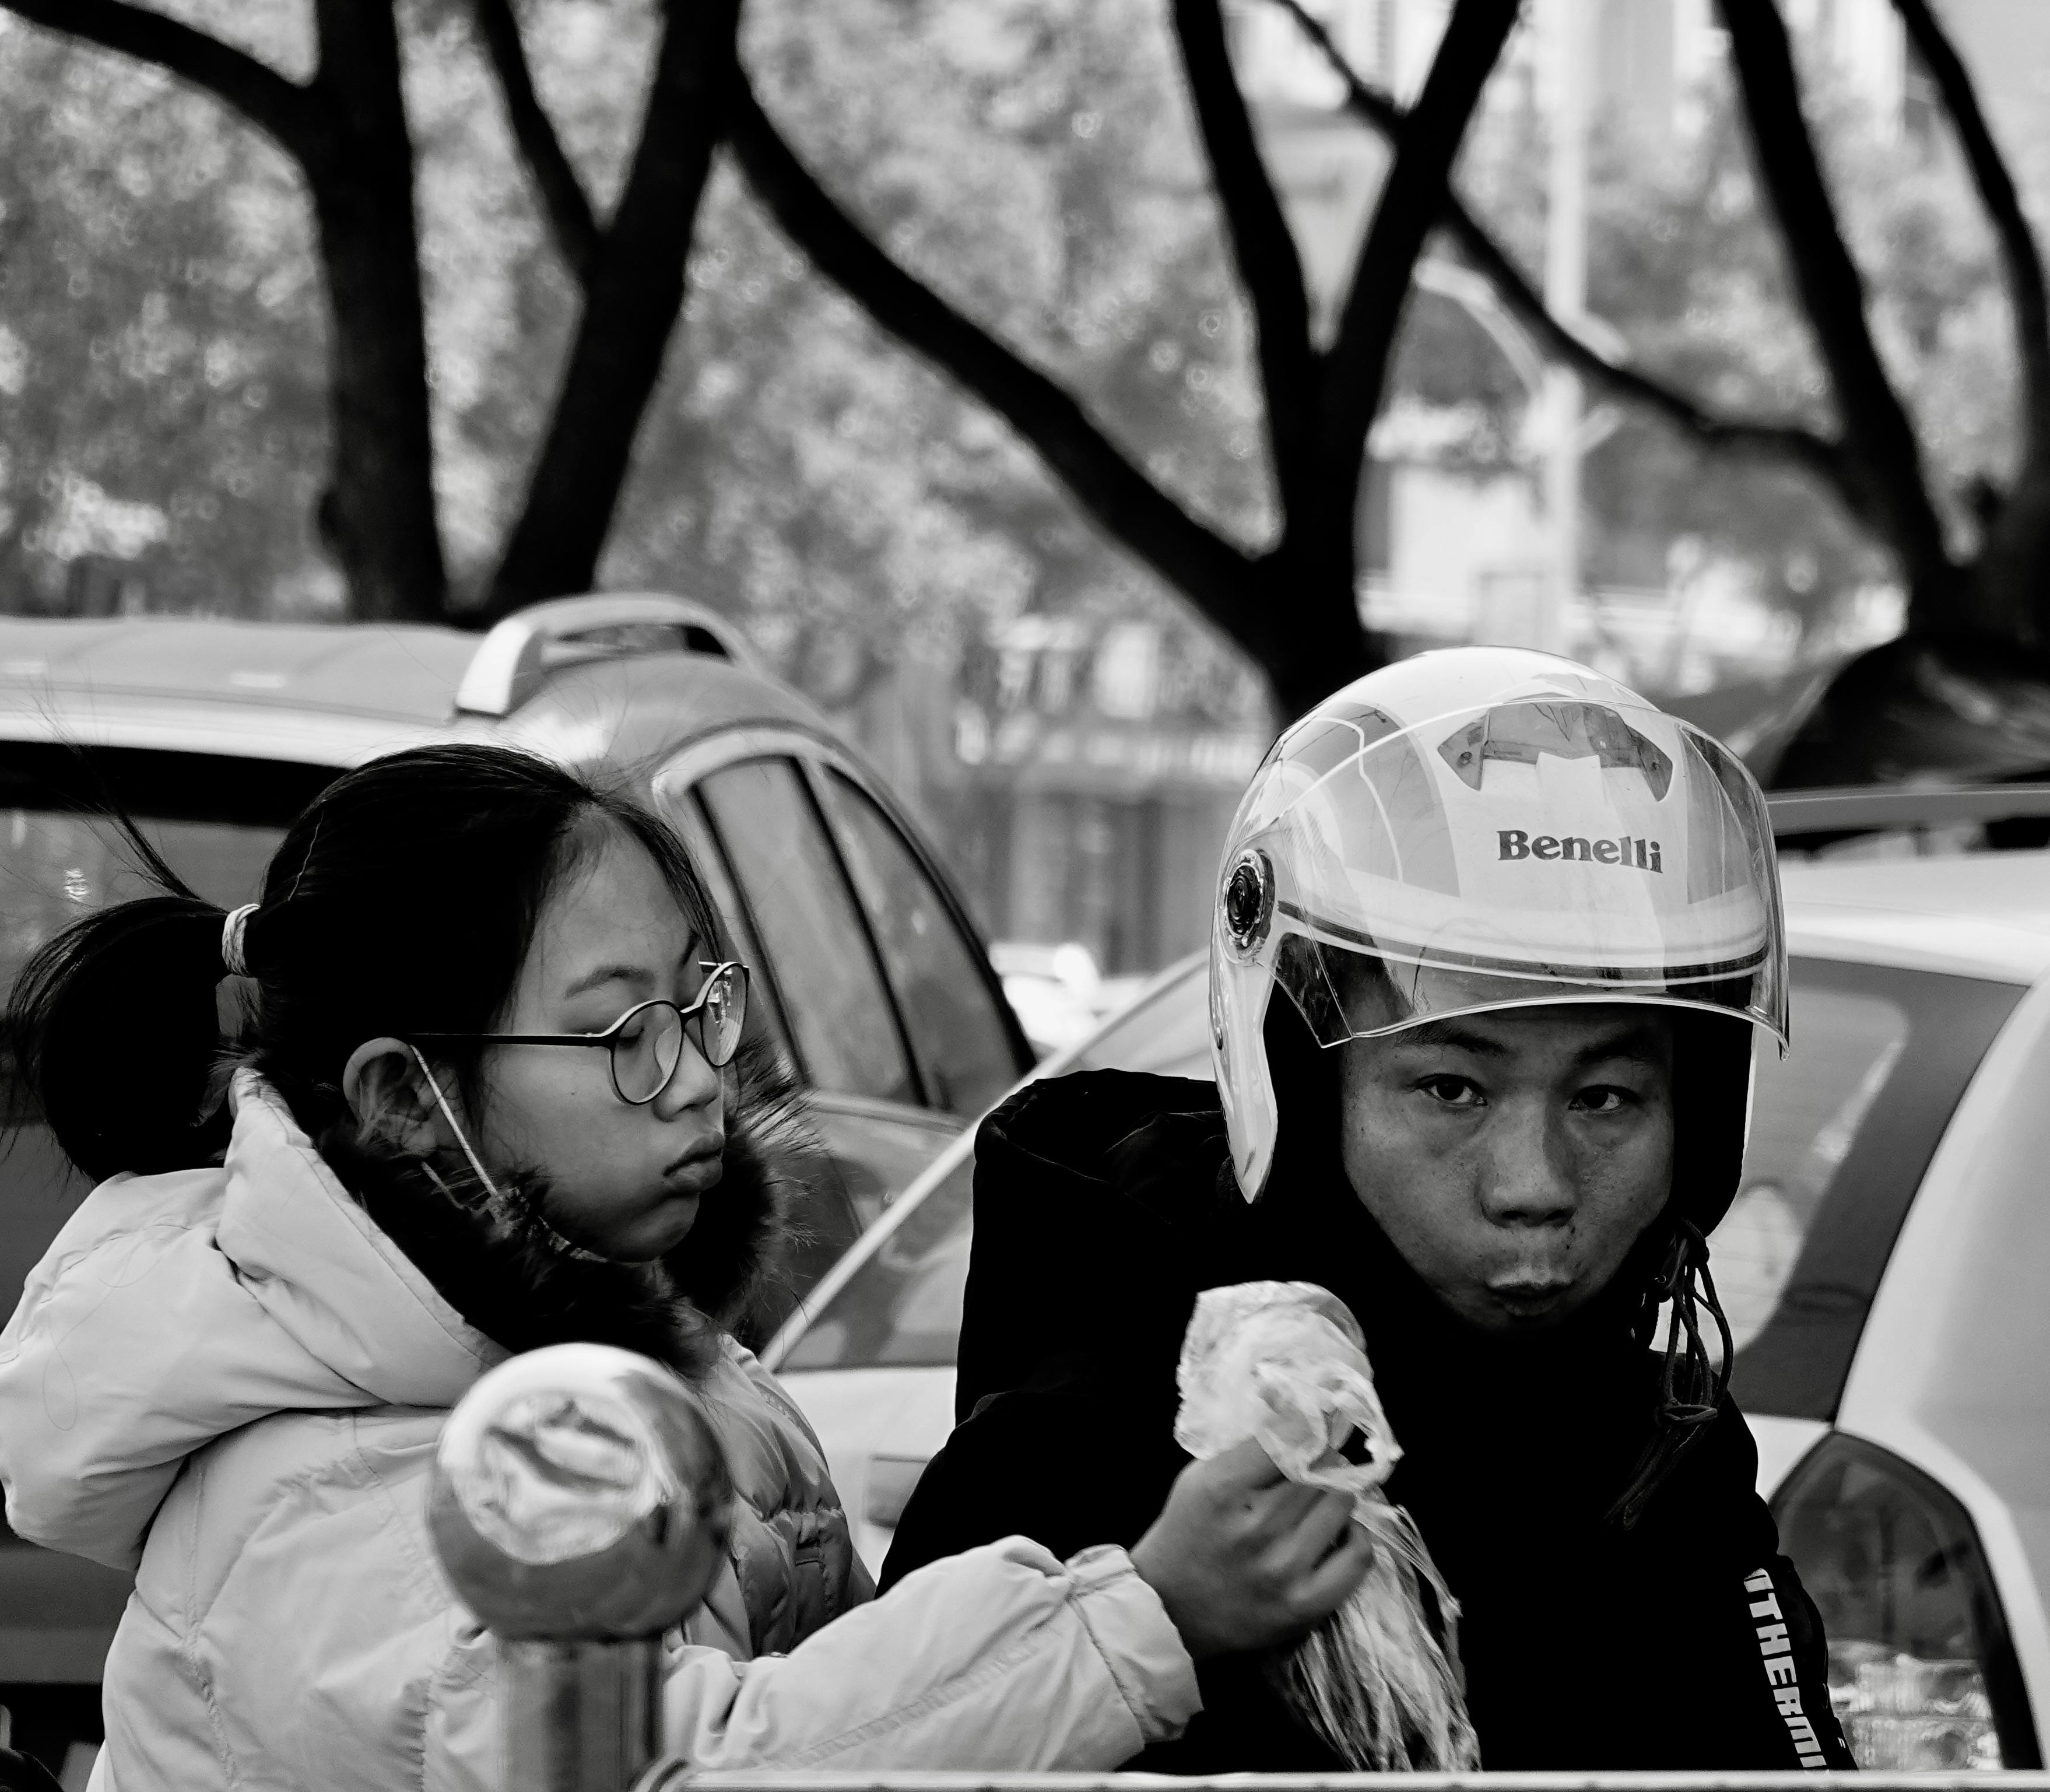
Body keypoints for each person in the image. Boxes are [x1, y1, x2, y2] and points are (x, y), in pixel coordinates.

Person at [0, 745, 1373, 1792]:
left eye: (701, 1003)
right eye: (624, 1035)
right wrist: (1136, 1620)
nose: (702, 1078)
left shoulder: (588, 1357)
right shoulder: (355, 1498)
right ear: (406, 1098)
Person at [883, 648, 1859, 1772]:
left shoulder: (1664, 1456)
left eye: (1604, 1098)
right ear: (1305, 1094)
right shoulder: (1079, 1468)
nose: (1534, 1185)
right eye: (1452, 1089)